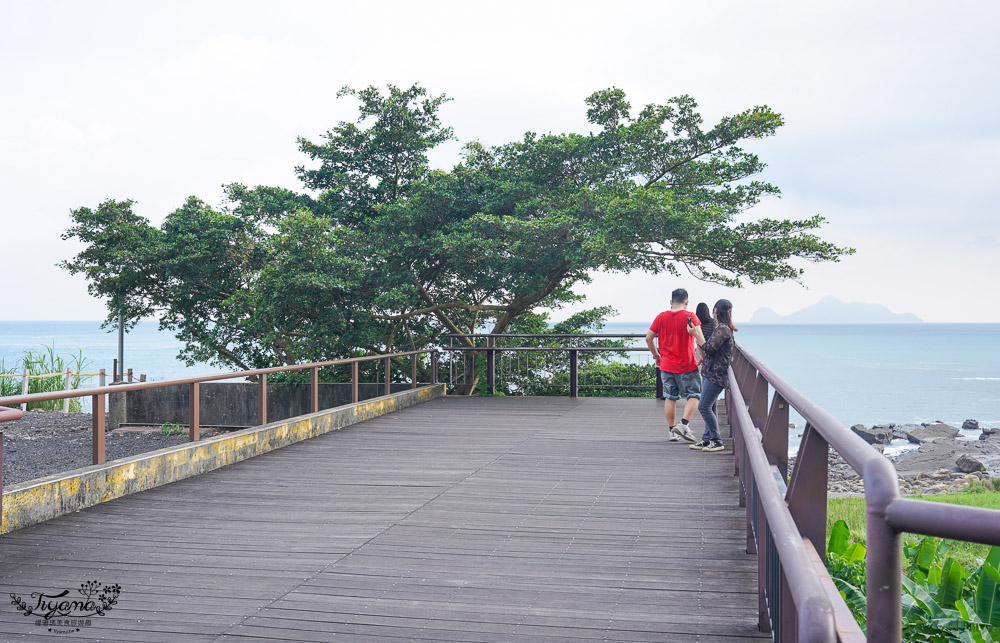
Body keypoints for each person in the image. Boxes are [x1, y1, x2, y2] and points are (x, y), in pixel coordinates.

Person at [646, 288, 701, 441]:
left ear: (671, 302)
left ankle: (672, 432)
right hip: (687, 365)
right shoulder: (690, 316)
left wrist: (656, 355)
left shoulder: (661, 317)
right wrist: (702, 356)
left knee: (670, 397)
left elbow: (648, 338)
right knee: (695, 395)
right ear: (687, 303)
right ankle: (683, 425)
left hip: (666, 365)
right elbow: (699, 338)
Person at [687, 299, 737, 452]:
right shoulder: (721, 328)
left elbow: (709, 348)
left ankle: (716, 440)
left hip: (716, 375)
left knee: (704, 406)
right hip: (711, 373)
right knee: (711, 406)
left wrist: (696, 334)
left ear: (715, 311)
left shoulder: (723, 329)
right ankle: (707, 438)